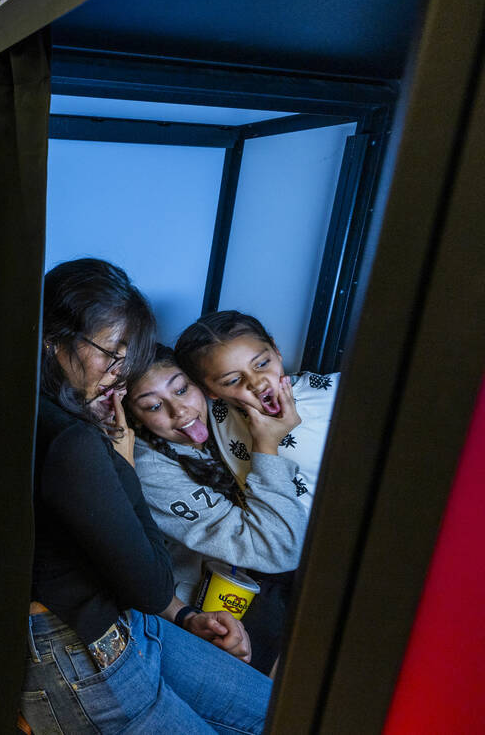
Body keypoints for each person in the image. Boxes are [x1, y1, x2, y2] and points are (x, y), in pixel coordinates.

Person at [23, 258, 270, 734]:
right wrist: (126, 461)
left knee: (270, 710)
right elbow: (152, 583)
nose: (118, 373)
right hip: (80, 648)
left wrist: (185, 615)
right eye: (112, 353)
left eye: (126, 357)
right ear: (55, 342)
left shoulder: (39, 407)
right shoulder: (72, 439)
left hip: (123, 620)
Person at [125, 344, 310, 673]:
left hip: (273, 566)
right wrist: (266, 448)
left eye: (182, 389)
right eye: (154, 406)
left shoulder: (228, 413)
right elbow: (276, 550)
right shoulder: (151, 468)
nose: (180, 411)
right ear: (135, 418)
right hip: (214, 595)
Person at [175, 311, 340, 505]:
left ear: (276, 350)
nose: (256, 382)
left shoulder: (333, 393)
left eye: (262, 364)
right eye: (233, 380)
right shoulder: (213, 408)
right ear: (209, 391)